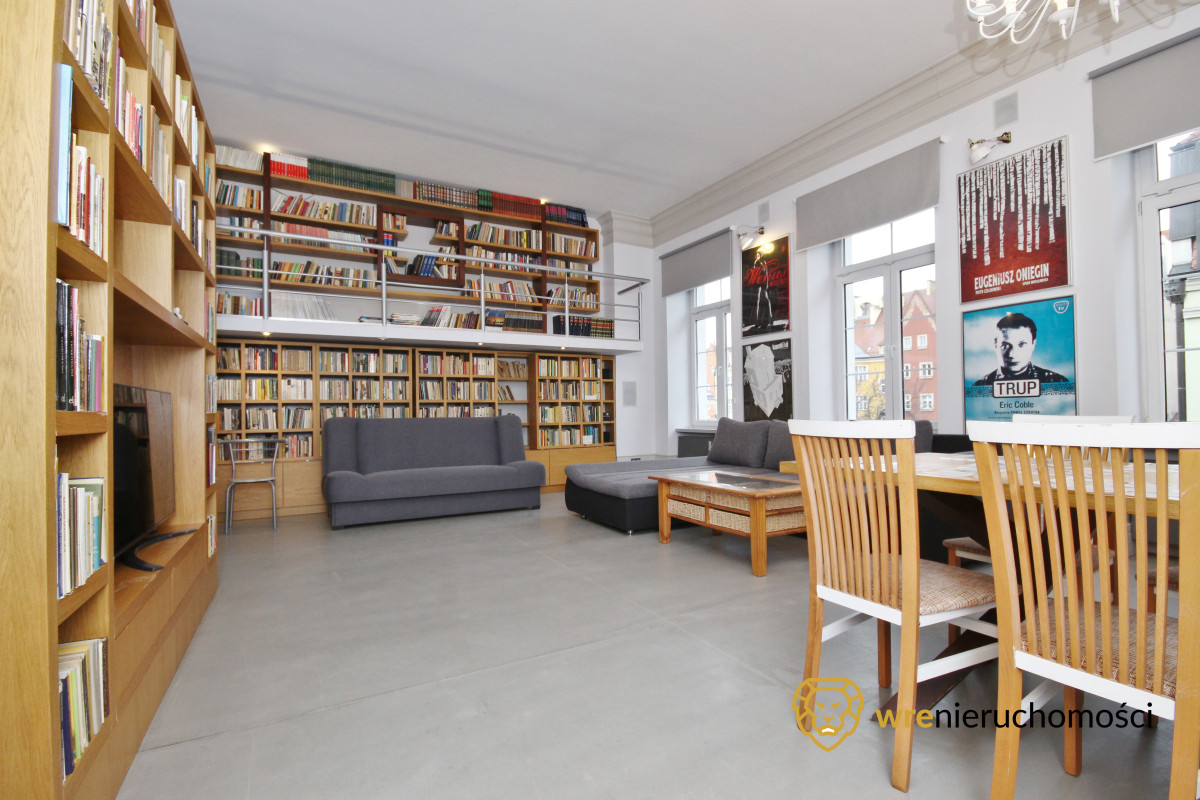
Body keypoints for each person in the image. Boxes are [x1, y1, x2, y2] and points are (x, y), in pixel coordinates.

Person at [973, 311, 1068, 386]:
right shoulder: (980, 386)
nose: (1012, 354)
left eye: (1021, 344)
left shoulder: (1057, 382)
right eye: (1006, 346)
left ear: (1033, 344)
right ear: (995, 345)